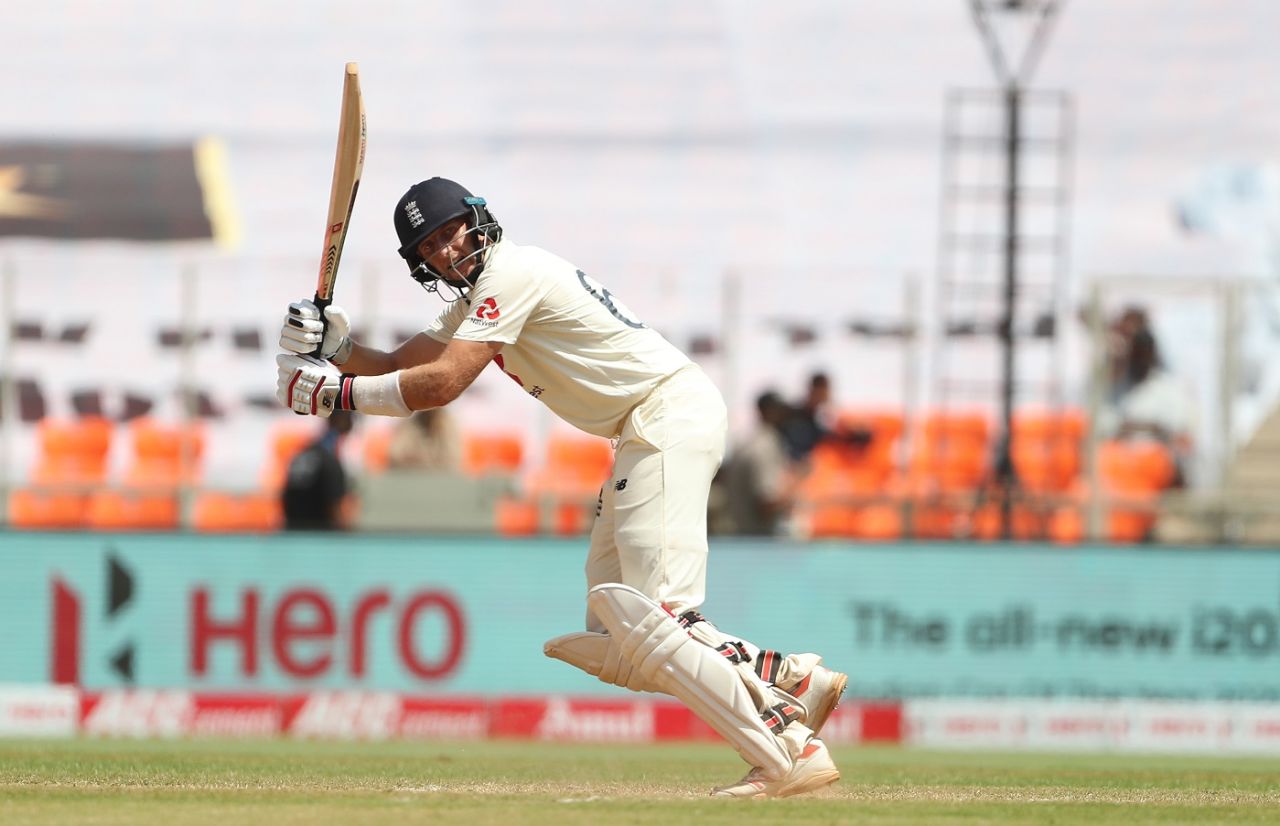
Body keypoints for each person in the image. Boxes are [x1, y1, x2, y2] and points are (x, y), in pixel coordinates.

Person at [274, 177, 844, 798]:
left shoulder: (511, 274)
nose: (443, 250)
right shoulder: (477, 299)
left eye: (448, 232)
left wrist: (328, 392)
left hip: (665, 416)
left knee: (657, 619)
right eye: (428, 246)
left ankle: (788, 749)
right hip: (646, 427)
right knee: (615, 625)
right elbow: (397, 368)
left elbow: (440, 386)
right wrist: (337, 348)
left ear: (477, 219)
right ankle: (788, 680)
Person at [722, 390, 799, 536]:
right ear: (767, 412)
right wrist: (795, 494)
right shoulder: (764, 446)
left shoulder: (747, 439)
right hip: (756, 539)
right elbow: (766, 505)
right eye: (780, 411)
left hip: (738, 534)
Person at [281, 410, 354, 530]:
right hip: (319, 534)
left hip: (294, 531)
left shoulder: (305, 452)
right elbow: (334, 506)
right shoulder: (328, 458)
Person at [387, 408, 462, 472]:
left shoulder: (448, 423)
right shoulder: (410, 423)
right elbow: (396, 455)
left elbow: (452, 460)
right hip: (412, 479)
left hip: (440, 481)